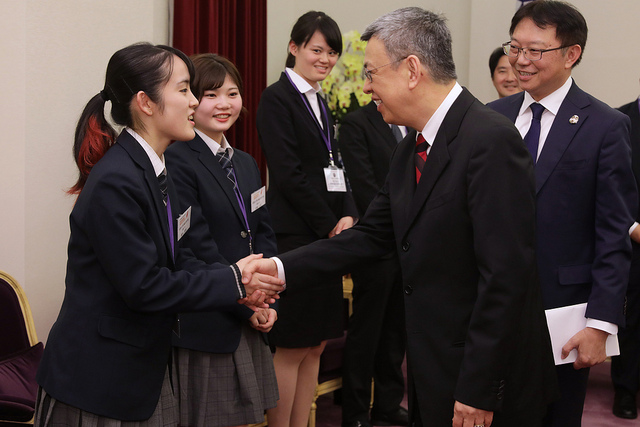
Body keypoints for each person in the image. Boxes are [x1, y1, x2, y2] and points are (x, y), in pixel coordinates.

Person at [245, 7, 558, 427]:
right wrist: (279, 268)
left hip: (480, 382)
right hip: (431, 368)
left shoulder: (489, 141)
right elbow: (372, 236)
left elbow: (506, 279)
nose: (366, 85)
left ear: (412, 70)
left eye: (372, 72)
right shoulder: (411, 146)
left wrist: (477, 389)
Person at [34, 43, 283, 426]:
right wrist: (233, 281)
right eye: (184, 90)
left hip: (139, 369)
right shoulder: (117, 179)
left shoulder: (154, 169)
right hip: (99, 379)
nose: (193, 102)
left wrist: (241, 284)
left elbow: (180, 255)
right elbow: (144, 285)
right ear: (145, 103)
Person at [487, 2, 636, 425]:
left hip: (563, 317)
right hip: (488, 312)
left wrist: (601, 324)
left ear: (571, 54)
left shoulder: (605, 126)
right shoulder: (490, 118)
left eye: (536, 51)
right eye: (515, 48)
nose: (520, 60)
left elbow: (613, 234)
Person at [255, 11, 358, 427]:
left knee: (316, 344)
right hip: (297, 237)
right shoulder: (276, 98)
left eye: (332, 52)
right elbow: (289, 175)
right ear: (294, 47)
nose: (326, 59)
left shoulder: (321, 98)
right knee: (294, 344)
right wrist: (328, 226)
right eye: (317, 50)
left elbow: (336, 166)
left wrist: (349, 212)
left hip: (326, 235)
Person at [165, 53, 278, 427]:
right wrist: (245, 300)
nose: (224, 104)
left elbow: (262, 229)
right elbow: (193, 245)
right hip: (209, 317)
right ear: (192, 103)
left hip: (250, 307)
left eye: (232, 93)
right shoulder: (178, 159)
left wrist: (269, 291)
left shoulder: (245, 161)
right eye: (211, 94)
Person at [338, 101, 411, 427]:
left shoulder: (412, 120)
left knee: (397, 331)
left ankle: (387, 403)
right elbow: (365, 186)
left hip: (410, 248)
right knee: (366, 333)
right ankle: (355, 412)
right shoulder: (357, 123)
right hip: (377, 246)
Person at [611, 86, 640, 420]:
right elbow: (612, 186)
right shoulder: (620, 120)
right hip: (630, 237)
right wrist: (633, 227)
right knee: (629, 318)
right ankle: (625, 390)